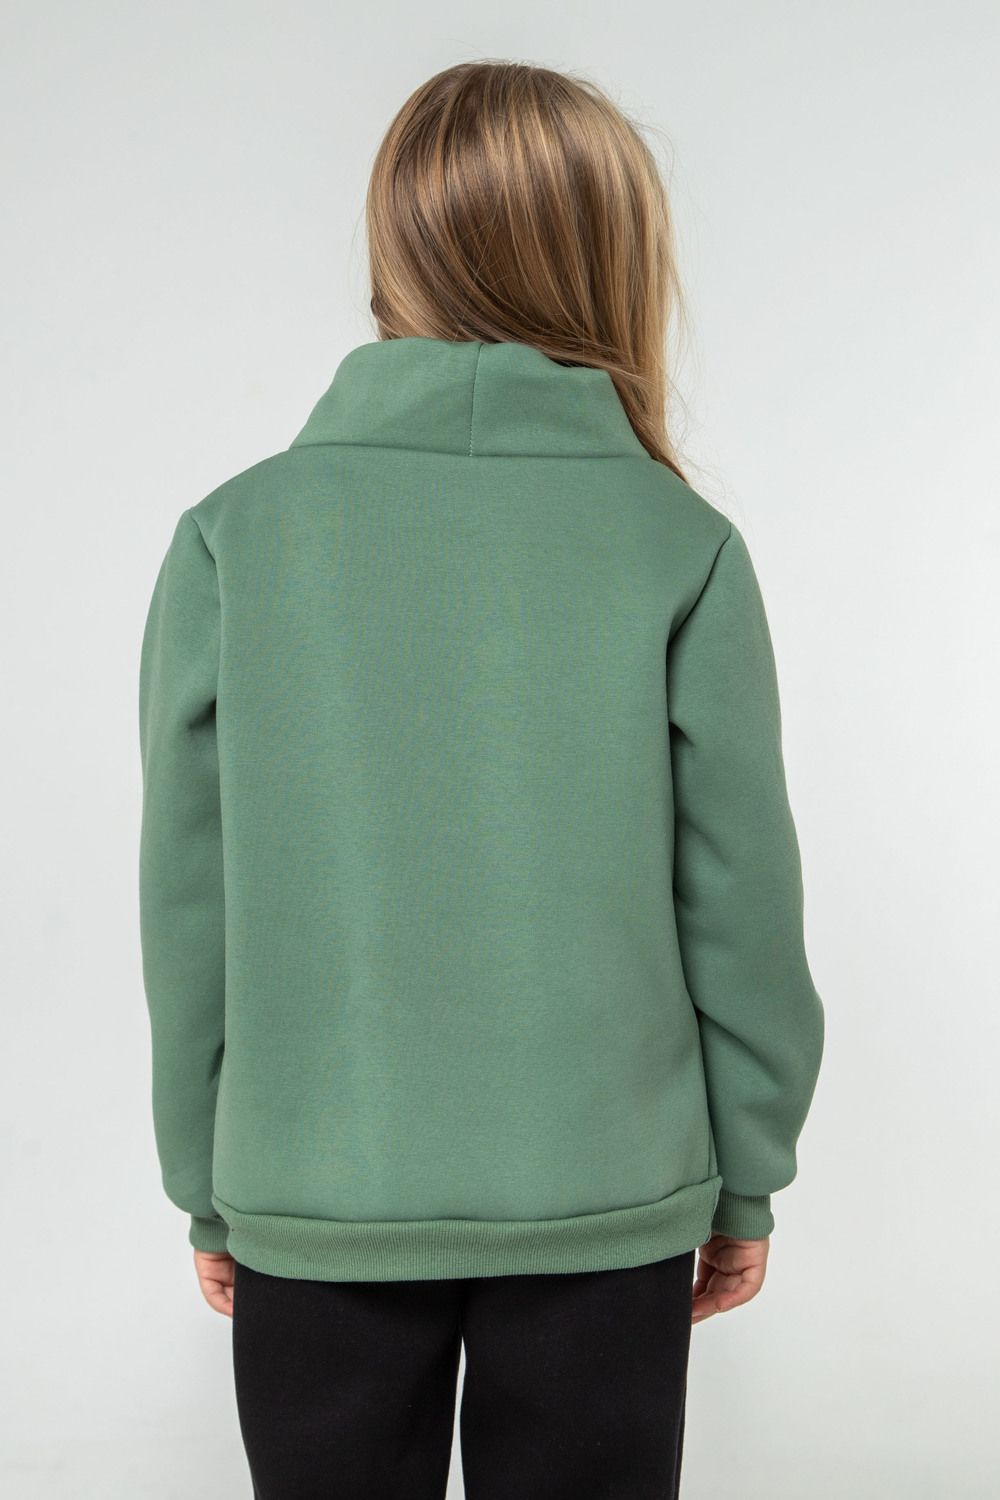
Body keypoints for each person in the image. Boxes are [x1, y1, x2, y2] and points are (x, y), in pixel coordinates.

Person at [137, 59, 825, 1499]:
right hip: (608, 1197)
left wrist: (208, 1179)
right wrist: (748, 1163)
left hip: (315, 1191)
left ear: (395, 248)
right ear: (613, 258)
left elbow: (188, 906)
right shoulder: (678, 544)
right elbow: (743, 903)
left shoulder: (234, 539)